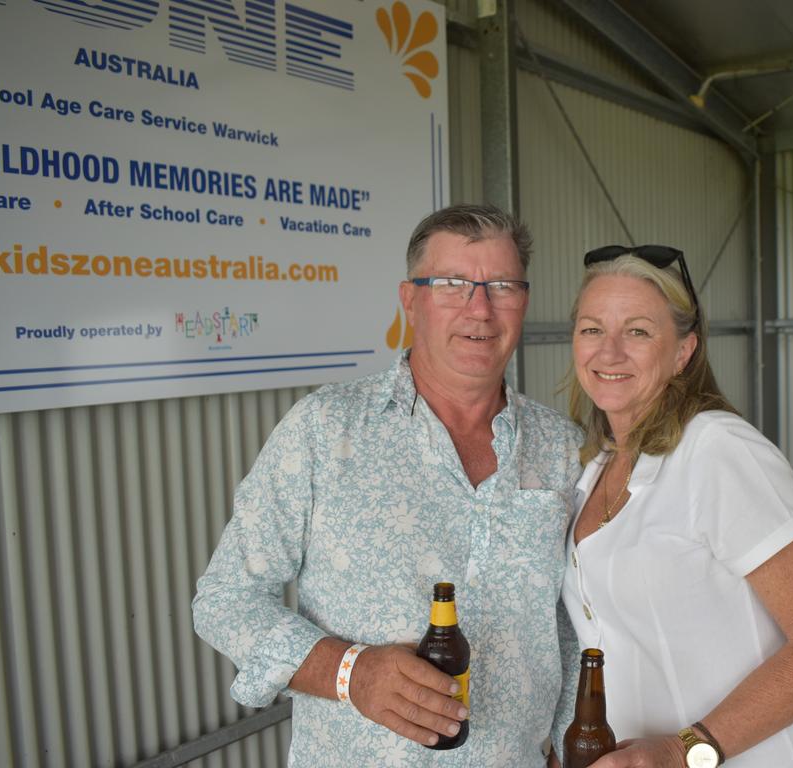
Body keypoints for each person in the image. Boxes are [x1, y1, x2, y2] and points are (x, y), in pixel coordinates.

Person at [192, 204, 583, 767]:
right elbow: (226, 599)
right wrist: (350, 671)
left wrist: (571, 749)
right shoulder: (326, 430)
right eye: (452, 284)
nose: (480, 307)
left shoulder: (563, 448)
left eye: (502, 285)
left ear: (524, 300)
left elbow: (574, 627)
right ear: (410, 299)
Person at [556, 245, 793, 768]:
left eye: (637, 331)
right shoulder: (595, 467)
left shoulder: (719, 451)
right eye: (591, 329)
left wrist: (684, 752)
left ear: (683, 352)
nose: (609, 352)